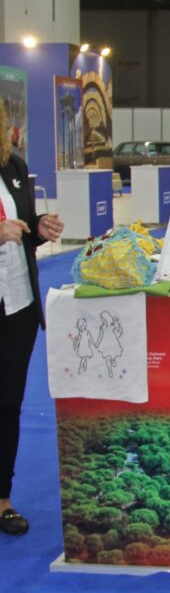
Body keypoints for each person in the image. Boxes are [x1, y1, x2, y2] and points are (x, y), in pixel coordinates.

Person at [1, 99, 65, 536]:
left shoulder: (14, 165)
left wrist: (38, 226)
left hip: (17, 304)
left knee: (8, 405)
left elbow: (21, 225)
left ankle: (2, 499)